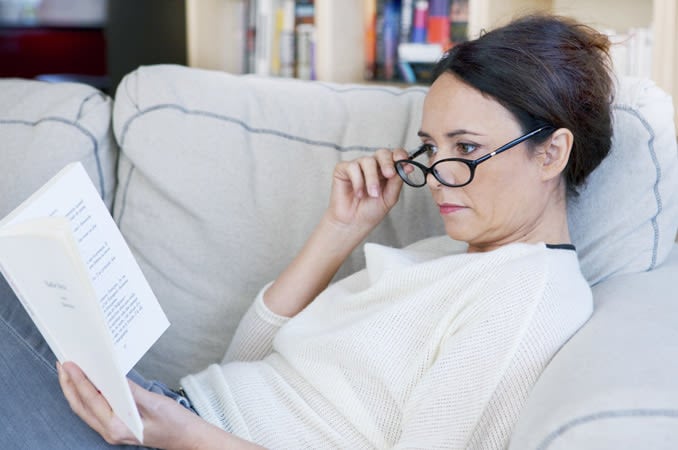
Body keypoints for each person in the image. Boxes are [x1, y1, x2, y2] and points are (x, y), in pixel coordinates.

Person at [1, 13, 614, 450]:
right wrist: (338, 230)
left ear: (551, 153)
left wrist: (184, 436)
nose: (441, 178)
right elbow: (242, 368)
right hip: (170, 415)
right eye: (431, 147)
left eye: (467, 147)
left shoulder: (526, 296)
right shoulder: (448, 252)